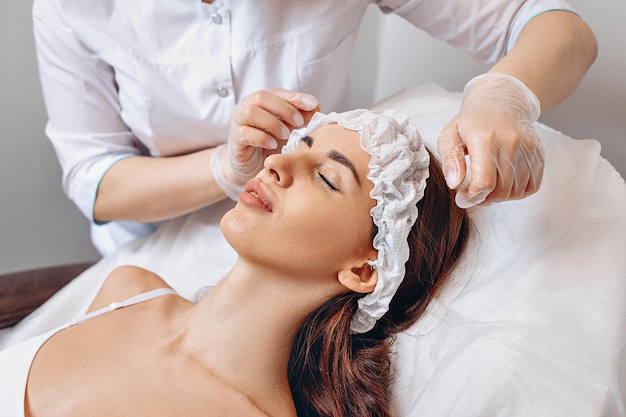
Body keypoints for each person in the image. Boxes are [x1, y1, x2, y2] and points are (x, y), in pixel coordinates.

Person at [1, 109, 469, 417]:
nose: (275, 167)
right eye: (296, 148)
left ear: (364, 270)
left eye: (326, 178)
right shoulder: (127, 290)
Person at [32, 0, 597, 255]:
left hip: (305, 247)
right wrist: (223, 170)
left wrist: (505, 95)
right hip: (151, 246)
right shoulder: (72, 8)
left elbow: (555, 26)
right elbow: (95, 180)